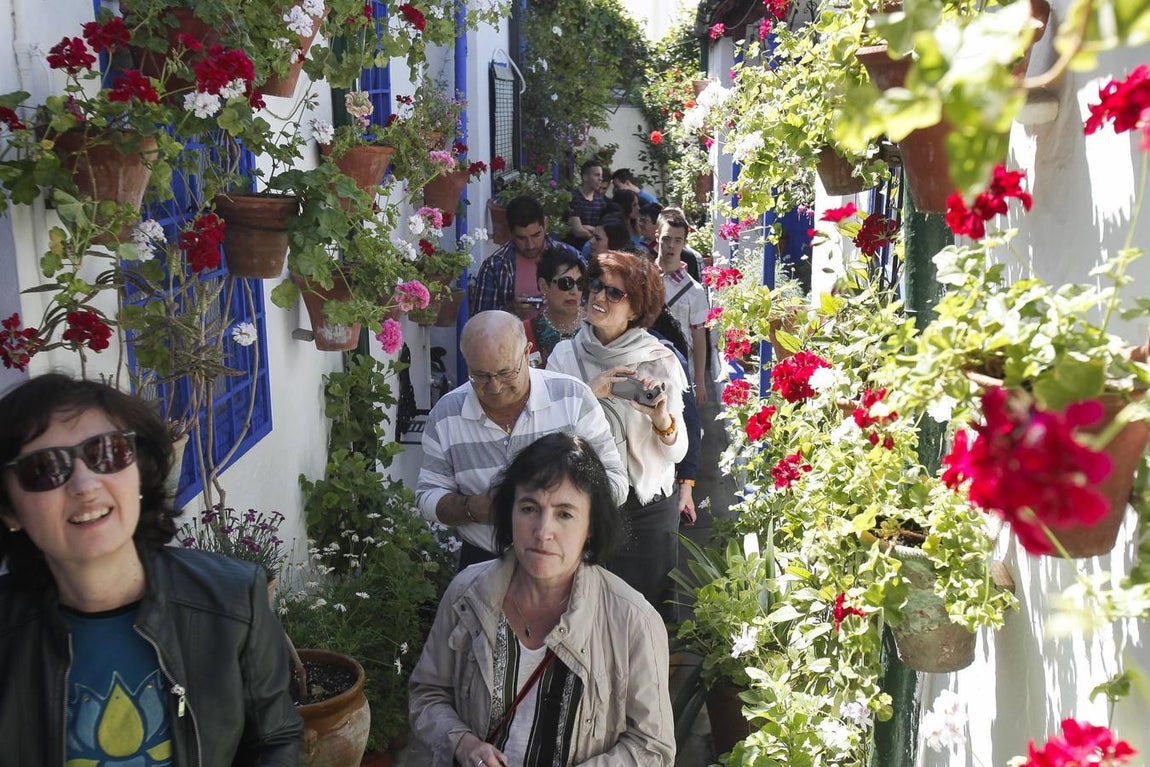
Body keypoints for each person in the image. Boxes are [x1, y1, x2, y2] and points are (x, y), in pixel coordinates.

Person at [0, 374, 301, 765]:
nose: (85, 485)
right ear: (9, 510)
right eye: (43, 468)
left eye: (107, 453)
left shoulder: (233, 602)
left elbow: (273, 740)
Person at [408, 433, 675, 767]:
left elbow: (653, 747)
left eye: (565, 514)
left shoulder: (633, 621)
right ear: (510, 513)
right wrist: (463, 744)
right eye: (529, 508)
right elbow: (427, 694)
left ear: (590, 525)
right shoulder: (467, 593)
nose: (542, 531)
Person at [416, 311, 629, 570]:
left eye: (506, 373)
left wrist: (562, 506)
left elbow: (616, 481)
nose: (494, 387)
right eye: (480, 376)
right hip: (484, 562)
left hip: (567, 560)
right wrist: (472, 508)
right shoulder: (446, 414)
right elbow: (427, 495)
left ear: (528, 353)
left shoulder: (573, 397)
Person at [547, 252, 688, 620]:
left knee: (646, 621)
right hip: (585, 505)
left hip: (646, 511)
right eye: (595, 286)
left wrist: (662, 420)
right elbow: (549, 437)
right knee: (584, 618)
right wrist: (589, 394)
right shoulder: (565, 357)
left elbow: (676, 453)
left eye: (615, 293)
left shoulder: (659, 360)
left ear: (636, 309)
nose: (598, 297)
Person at [471, 195, 581, 318]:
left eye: (536, 235)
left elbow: (589, 307)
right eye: (521, 238)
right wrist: (510, 310)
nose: (530, 245)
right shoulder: (494, 266)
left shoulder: (573, 257)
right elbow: (480, 322)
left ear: (545, 224)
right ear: (510, 232)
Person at [655, 207, 710, 405]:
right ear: (657, 236)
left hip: (680, 373)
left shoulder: (694, 291)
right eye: (667, 239)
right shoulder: (643, 279)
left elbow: (699, 337)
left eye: (678, 241)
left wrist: (700, 381)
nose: (671, 246)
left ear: (684, 243)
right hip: (645, 369)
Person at [524, 246, 585, 369]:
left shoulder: (596, 327)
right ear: (543, 286)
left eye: (580, 283)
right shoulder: (526, 332)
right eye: (566, 283)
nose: (574, 291)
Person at [566, 160, 608, 251]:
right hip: (573, 249)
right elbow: (578, 231)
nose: (600, 179)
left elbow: (605, 229)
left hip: (593, 250)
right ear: (585, 177)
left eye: (601, 176)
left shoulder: (601, 202)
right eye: (597, 175)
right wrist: (597, 236)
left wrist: (588, 228)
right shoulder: (573, 197)